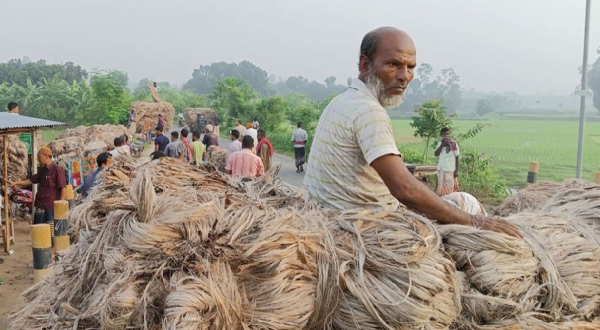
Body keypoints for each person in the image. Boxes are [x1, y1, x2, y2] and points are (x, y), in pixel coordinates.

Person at [303, 27, 520, 238]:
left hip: (330, 215)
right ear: (364, 64)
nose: (404, 76)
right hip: (364, 226)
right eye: (393, 64)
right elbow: (404, 189)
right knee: (467, 203)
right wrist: (476, 222)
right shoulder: (369, 111)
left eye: (410, 67)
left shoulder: (342, 101)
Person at [8, 147, 66, 224]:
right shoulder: (42, 170)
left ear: (46, 156)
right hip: (40, 206)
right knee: (38, 231)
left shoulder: (57, 169)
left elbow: (63, 187)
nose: (38, 159)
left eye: (39, 157)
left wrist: (61, 205)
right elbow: (30, 180)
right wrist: (16, 183)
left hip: (50, 209)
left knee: (49, 232)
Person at [434, 127, 460, 196]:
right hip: (441, 169)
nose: (446, 136)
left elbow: (457, 157)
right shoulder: (440, 143)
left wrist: (457, 171)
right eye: (444, 134)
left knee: (450, 189)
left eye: (447, 134)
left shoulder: (454, 144)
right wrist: (442, 144)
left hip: (450, 169)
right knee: (440, 188)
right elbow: (436, 154)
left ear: (449, 135)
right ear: (441, 135)